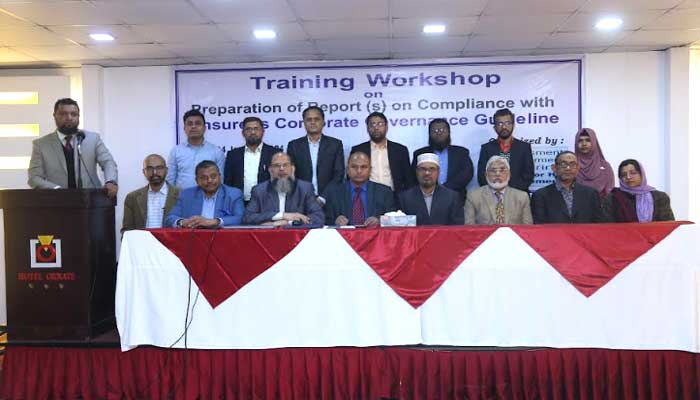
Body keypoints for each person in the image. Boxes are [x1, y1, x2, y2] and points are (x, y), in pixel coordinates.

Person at [28, 98, 118, 197]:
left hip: (91, 199)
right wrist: (56, 189)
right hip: (57, 200)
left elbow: (108, 162)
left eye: (74, 114)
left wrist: (111, 181)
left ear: (78, 117)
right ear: (55, 116)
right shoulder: (41, 144)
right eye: (63, 114)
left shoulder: (92, 139)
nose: (69, 118)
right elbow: (34, 177)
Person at [244, 152, 325, 226]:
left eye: (285, 165)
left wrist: (288, 222)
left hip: (296, 236)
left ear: (292, 168)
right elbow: (247, 217)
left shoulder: (305, 188)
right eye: (277, 165)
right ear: (270, 170)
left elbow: (318, 217)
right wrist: (281, 216)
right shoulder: (259, 190)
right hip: (268, 236)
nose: (281, 169)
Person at [322, 151, 395, 226]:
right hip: (345, 233)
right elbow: (325, 219)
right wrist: (335, 221)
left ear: (370, 170)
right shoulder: (334, 193)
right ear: (347, 170)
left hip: (375, 233)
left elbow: (393, 218)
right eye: (354, 167)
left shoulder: (384, 192)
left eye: (363, 167)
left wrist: (379, 220)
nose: (359, 171)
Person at [531, 151, 606, 224]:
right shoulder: (540, 195)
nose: (568, 168)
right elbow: (539, 225)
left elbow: (599, 224)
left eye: (572, 164)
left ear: (578, 168)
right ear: (554, 168)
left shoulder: (591, 194)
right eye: (563, 164)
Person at [286, 106, 344, 199]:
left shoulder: (335, 144)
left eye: (316, 119)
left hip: (329, 199)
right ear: (304, 123)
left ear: (323, 122)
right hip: (301, 199)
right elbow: (290, 174)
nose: (312, 122)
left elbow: (338, 174)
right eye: (309, 119)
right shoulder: (294, 146)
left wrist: (323, 198)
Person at [165, 160, 244, 228]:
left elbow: (240, 218)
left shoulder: (233, 194)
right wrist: (183, 222)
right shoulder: (186, 195)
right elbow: (169, 219)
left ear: (220, 177)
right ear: (196, 180)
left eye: (213, 176)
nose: (209, 180)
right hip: (193, 237)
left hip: (222, 238)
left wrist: (215, 222)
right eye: (203, 178)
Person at [412, 118, 473, 204]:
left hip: (456, 197)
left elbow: (467, 174)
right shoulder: (420, 153)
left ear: (449, 132)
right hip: (426, 199)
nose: (439, 133)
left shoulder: (461, 152)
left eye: (442, 130)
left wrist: (444, 189)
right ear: (429, 134)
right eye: (435, 131)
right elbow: (414, 176)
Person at [351, 112, 413, 196]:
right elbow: (352, 177)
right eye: (372, 124)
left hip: (394, 196)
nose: (376, 128)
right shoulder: (358, 150)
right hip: (367, 196)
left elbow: (408, 178)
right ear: (367, 128)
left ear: (386, 127)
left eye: (380, 124)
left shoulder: (400, 150)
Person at [477, 108, 534, 192]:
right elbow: (482, 176)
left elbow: (528, 175)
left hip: (518, 194)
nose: (504, 127)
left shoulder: (524, 147)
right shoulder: (486, 148)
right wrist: (497, 191)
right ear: (494, 127)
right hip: (492, 195)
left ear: (513, 125)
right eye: (500, 123)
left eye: (508, 123)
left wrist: (509, 192)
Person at [223, 116, 278, 203]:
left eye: (256, 129)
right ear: (243, 133)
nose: (252, 132)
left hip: (267, 203)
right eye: (248, 129)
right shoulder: (233, 155)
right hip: (239, 203)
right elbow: (228, 182)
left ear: (263, 132)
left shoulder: (274, 153)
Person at [397, 153, 464, 225]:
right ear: (417, 172)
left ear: (438, 172)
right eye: (422, 169)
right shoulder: (404, 198)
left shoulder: (452, 197)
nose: (427, 173)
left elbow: (458, 228)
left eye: (432, 169)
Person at [122, 154, 180, 234]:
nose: (154, 172)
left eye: (159, 168)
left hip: (170, 241)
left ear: (166, 170)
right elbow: (127, 231)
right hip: (142, 241)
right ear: (144, 172)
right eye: (150, 168)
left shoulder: (181, 195)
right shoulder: (132, 198)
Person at [167, 109, 225, 189]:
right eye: (190, 124)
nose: (193, 126)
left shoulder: (216, 152)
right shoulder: (176, 151)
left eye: (198, 123)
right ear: (184, 128)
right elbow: (170, 180)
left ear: (204, 128)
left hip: (208, 196)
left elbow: (220, 181)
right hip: (182, 196)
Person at [465, 156, 532, 225]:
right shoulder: (473, 196)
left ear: (509, 174)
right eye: (493, 171)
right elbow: (469, 227)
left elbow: (528, 228)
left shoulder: (522, 197)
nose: (497, 174)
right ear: (486, 175)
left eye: (502, 170)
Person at [608, 159, 675, 222]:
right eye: (623, 175)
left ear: (641, 174)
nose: (628, 177)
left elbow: (668, 223)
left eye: (633, 173)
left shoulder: (660, 197)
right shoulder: (614, 197)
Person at [574, 128, 614, 196]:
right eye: (580, 141)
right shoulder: (572, 166)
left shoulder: (605, 166)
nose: (584, 144)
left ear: (594, 142)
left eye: (588, 140)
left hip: (602, 202)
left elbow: (610, 191)